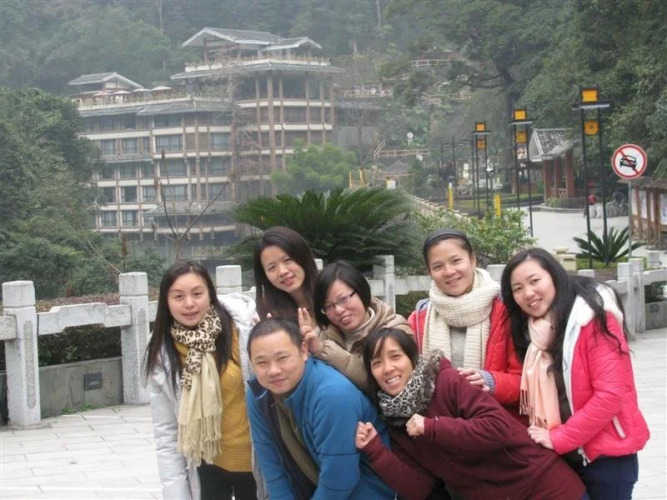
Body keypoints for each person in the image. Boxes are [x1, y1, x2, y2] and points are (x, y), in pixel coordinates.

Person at [355, 327, 587, 500]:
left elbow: (497, 428)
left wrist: (432, 427)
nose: (388, 368)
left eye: (395, 356)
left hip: (543, 487)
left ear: (412, 359)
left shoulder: (447, 382)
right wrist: (376, 451)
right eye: (377, 363)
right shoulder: (395, 421)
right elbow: (420, 488)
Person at [501, 248, 650, 499]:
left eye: (535, 281)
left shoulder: (591, 318)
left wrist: (560, 438)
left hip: (605, 458)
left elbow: (610, 395)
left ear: (555, 277)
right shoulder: (531, 333)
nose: (528, 293)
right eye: (517, 288)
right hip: (562, 456)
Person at [144, 261, 261, 499]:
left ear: (210, 294)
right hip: (204, 465)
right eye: (178, 296)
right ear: (166, 301)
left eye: (197, 294)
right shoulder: (162, 351)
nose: (189, 304)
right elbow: (167, 432)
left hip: (255, 462)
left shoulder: (242, 330)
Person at [246, 318, 396, 499]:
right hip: (313, 486)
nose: (273, 371)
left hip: (364, 491)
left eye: (282, 358)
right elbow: (271, 463)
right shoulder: (258, 393)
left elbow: (340, 478)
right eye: (262, 362)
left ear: (303, 351)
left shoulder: (332, 396)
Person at [408, 228, 522, 414]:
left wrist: (491, 381)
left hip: (494, 422)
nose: (449, 271)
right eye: (438, 267)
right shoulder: (419, 320)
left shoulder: (505, 311)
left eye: (456, 261)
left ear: (472, 259)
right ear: (430, 272)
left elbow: (528, 383)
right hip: (439, 425)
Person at [300, 260, 413, 392]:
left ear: (360, 290)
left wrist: (326, 352)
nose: (338, 310)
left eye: (343, 299)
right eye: (329, 306)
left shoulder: (396, 328)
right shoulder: (323, 336)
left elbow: (378, 385)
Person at [253, 226, 319, 324]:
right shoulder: (268, 311)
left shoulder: (329, 290)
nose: (282, 271)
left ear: (304, 257)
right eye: (272, 267)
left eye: (287, 260)